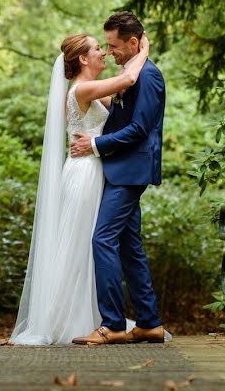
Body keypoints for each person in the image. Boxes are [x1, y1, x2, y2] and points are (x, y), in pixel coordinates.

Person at [9, 29, 150, 345]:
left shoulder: (89, 90)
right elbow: (126, 82)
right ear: (83, 58)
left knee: (89, 241)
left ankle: (94, 315)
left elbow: (119, 108)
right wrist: (143, 51)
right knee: (85, 241)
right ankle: (69, 317)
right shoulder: (82, 90)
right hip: (86, 172)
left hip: (92, 168)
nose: (103, 52)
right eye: (98, 49)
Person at [70, 11, 167, 345]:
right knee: (129, 246)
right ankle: (149, 323)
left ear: (134, 42)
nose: (110, 52)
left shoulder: (148, 76)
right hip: (118, 168)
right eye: (106, 47)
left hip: (129, 171)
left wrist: (96, 143)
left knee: (102, 240)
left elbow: (140, 130)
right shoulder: (130, 74)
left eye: (113, 46)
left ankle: (111, 324)